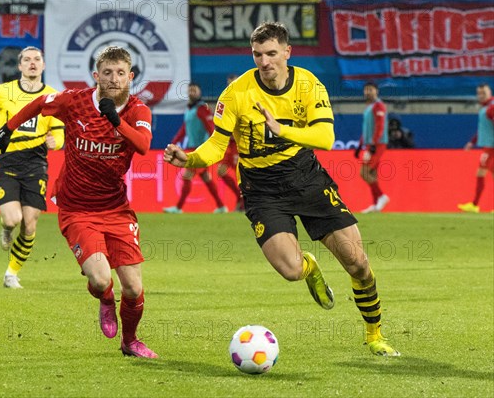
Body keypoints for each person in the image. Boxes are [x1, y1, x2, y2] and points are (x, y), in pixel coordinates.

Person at [164, 22, 399, 357]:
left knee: (357, 262)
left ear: (287, 52)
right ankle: (310, 268)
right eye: (258, 54)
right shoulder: (236, 94)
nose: (265, 61)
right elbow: (217, 146)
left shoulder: (308, 85)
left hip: (306, 178)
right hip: (262, 189)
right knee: (291, 270)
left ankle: (374, 335)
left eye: (272, 53)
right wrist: (188, 159)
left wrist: (282, 129)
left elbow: (325, 138)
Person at [0, 46, 157, 358]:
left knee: (134, 288)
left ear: (131, 77)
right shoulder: (75, 101)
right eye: (107, 73)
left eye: (120, 73)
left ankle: (131, 342)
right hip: (77, 209)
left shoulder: (138, 111)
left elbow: (144, 146)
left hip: (116, 209)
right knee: (100, 279)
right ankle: (105, 299)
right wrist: (8, 127)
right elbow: (41, 103)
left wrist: (116, 121)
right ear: (96, 76)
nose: (113, 78)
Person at [0, 46, 65, 289]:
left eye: (37, 59)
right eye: (27, 60)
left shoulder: (53, 97)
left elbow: (59, 130)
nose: (32, 63)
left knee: (30, 224)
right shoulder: (3, 92)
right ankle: (5, 229)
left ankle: (11, 274)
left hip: (36, 164)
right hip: (7, 163)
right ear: (20, 66)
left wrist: (58, 141)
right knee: (13, 219)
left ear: (43, 66)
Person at [163, 83, 228, 214]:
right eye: (190, 90)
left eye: (195, 90)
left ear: (199, 92)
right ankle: (221, 206)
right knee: (206, 179)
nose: (192, 92)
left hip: (201, 150)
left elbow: (211, 129)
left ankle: (178, 208)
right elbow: (184, 129)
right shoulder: (189, 109)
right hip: (191, 149)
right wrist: (174, 142)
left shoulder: (202, 109)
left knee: (187, 175)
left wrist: (215, 147)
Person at [458, 84, 494, 213]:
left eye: (483, 93)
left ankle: (475, 205)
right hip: (487, 146)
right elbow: (483, 129)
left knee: (481, 173)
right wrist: (472, 142)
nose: (480, 96)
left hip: (491, 148)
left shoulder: (491, 108)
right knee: (481, 173)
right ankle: (474, 205)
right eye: (478, 93)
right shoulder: (485, 108)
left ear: (489, 93)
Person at [355, 81, 390, 213]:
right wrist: (360, 145)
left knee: (364, 172)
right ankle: (376, 204)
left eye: (370, 89)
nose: (368, 92)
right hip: (371, 143)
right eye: (366, 89)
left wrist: (374, 144)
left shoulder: (379, 106)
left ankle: (381, 196)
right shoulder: (369, 107)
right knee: (372, 173)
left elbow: (380, 126)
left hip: (378, 143)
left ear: (376, 91)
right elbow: (367, 129)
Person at [217, 74, 245, 211]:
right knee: (220, 171)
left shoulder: (245, 100)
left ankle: (243, 203)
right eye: (228, 84)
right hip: (229, 143)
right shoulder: (226, 101)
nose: (230, 86)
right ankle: (239, 199)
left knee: (243, 174)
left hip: (241, 144)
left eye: (232, 83)